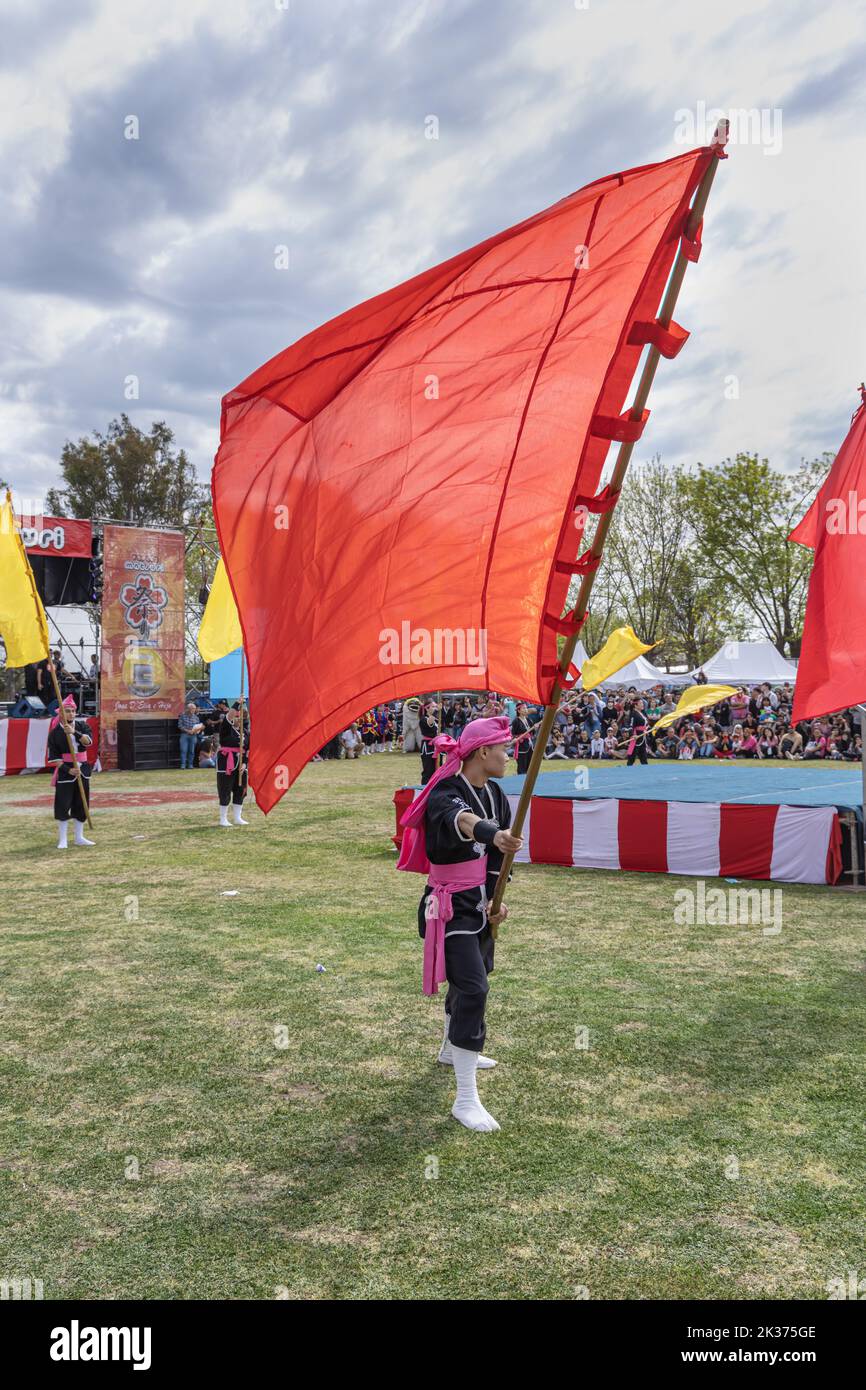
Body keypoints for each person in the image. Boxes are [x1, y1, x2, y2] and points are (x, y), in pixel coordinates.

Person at [396, 716, 523, 1133]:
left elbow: (496, 862)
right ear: (482, 752)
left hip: (479, 904)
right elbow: (462, 822)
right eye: (503, 747)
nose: (508, 755)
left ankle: (452, 1048)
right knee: (473, 986)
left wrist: (496, 901)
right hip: (447, 906)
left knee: (476, 974)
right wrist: (492, 834)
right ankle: (465, 1099)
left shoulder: (498, 793)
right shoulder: (445, 791)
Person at [46, 695, 94, 849]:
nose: (71, 714)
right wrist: (68, 770)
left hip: (83, 769)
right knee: (63, 803)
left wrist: (74, 733)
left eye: (73, 711)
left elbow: (88, 742)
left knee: (81, 803)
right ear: (60, 714)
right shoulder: (54, 734)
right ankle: (63, 839)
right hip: (66, 771)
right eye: (67, 711)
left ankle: (79, 837)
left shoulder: (82, 726)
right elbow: (54, 758)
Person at [216, 707, 250, 826]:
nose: (239, 719)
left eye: (242, 717)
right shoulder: (226, 728)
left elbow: (248, 750)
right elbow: (228, 716)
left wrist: (245, 763)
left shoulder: (245, 732)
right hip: (226, 763)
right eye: (237, 716)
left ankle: (237, 817)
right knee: (225, 789)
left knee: (240, 789)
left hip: (241, 765)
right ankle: (223, 818)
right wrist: (237, 704)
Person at [178, 701, 204, 769]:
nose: (194, 710)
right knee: (183, 750)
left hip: (193, 735)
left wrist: (197, 730)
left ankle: (190, 765)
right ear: (188, 709)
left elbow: (198, 726)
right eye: (192, 708)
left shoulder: (196, 717)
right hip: (184, 735)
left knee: (191, 751)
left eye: (194, 709)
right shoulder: (182, 716)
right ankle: (183, 765)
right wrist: (187, 731)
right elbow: (180, 726)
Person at [510, 701, 535, 775]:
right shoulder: (516, 721)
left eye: (526, 708)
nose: (526, 710)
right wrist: (516, 738)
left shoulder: (529, 720)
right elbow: (513, 733)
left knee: (529, 765)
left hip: (529, 744)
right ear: (519, 710)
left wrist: (534, 728)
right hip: (521, 745)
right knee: (521, 766)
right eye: (523, 708)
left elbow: (532, 733)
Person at [624, 698, 649, 766]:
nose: (642, 704)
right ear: (635, 705)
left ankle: (645, 766)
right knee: (632, 755)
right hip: (636, 736)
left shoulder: (642, 713)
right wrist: (632, 735)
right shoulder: (633, 714)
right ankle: (629, 766)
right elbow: (631, 726)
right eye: (640, 703)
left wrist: (653, 727)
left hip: (642, 735)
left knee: (643, 754)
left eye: (642, 703)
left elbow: (646, 724)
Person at [419, 701, 439, 785]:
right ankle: (424, 788)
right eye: (433, 707)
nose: (435, 708)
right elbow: (429, 723)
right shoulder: (423, 719)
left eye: (435, 706)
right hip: (427, 747)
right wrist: (436, 712)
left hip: (436, 746)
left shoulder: (435, 719)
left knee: (436, 769)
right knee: (428, 770)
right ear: (427, 708)